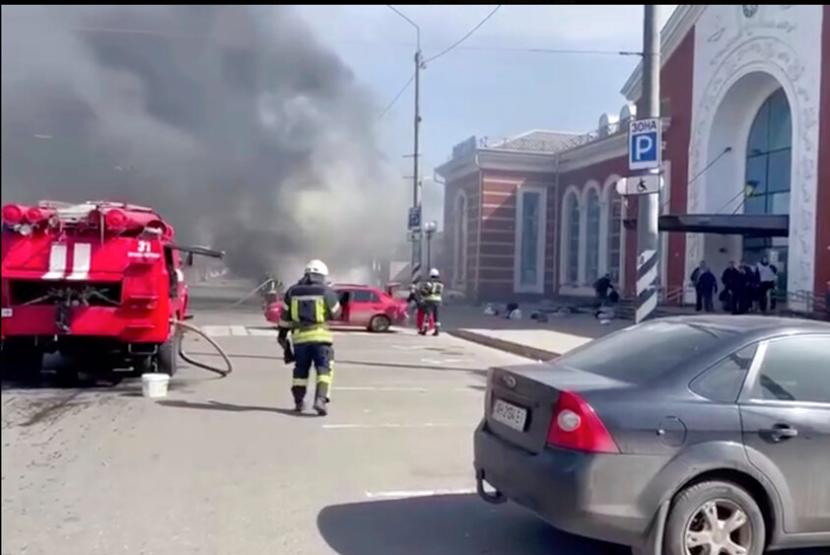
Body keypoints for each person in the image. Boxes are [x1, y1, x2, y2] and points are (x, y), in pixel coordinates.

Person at [277, 259, 341, 416]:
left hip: (300, 340)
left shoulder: (292, 292)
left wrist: (282, 336)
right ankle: (320, 400)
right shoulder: (326, 291)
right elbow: (336, 313)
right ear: (322, 275)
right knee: (324, 370)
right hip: (321, 339)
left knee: (300, 371)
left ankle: (299, 402)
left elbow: (284, 319)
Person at [419, 268, 444, 336]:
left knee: (427, 315)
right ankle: (437, 331)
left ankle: (425, 330)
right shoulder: (441, 284)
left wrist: (422, 292)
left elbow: (424, 292)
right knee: (436, 316)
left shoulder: (429, 283)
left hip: (429, 300)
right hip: (438, 301)